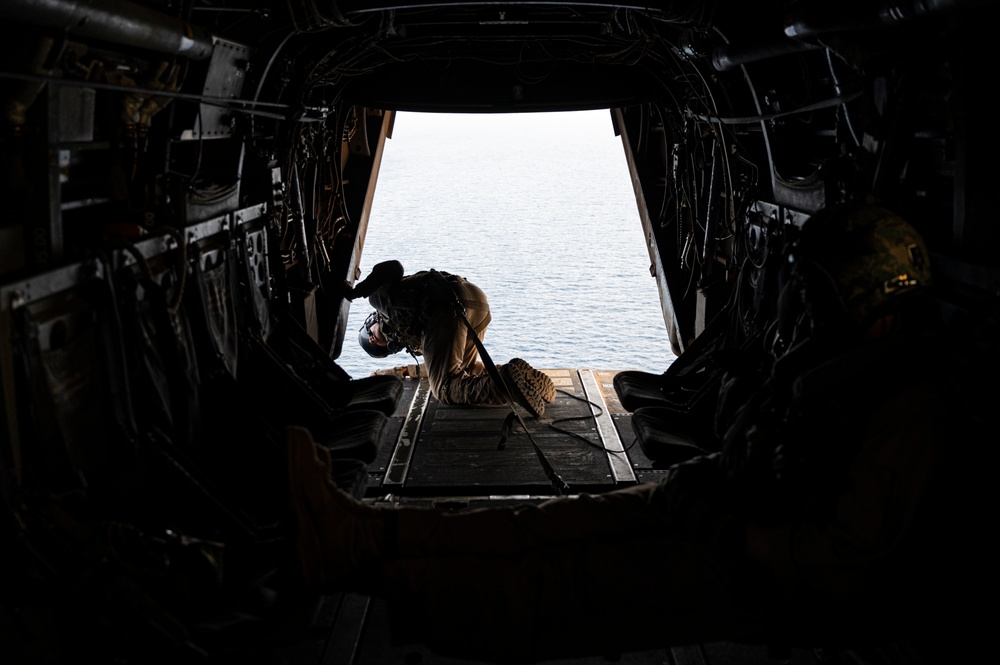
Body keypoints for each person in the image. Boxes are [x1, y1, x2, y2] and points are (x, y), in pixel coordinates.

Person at [293, 202, 995, 662]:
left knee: (560, 583)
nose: (804, 309)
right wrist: (709, 480)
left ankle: (361, 572)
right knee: (538, 523)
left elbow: (839, 559)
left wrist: (727, 527)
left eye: (820, 293)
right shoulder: (839, 370)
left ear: (867, 297)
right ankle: (362, 530)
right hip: (719, 508)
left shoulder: (912, 408)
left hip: (759, 571)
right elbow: (779, 454)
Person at [345, 260, 556, 416]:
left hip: (445, 307)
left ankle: (504, 385)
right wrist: (399, 372)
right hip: (475, 301)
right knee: (464, 370)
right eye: (382, 346)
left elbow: (394, 268)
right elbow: (437, 366)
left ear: (371, 321)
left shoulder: (380, 301)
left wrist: (357, 291)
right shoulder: (414, 334)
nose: (374, 340)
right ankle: (514, 375)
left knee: (444, 389)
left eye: (371, 335)